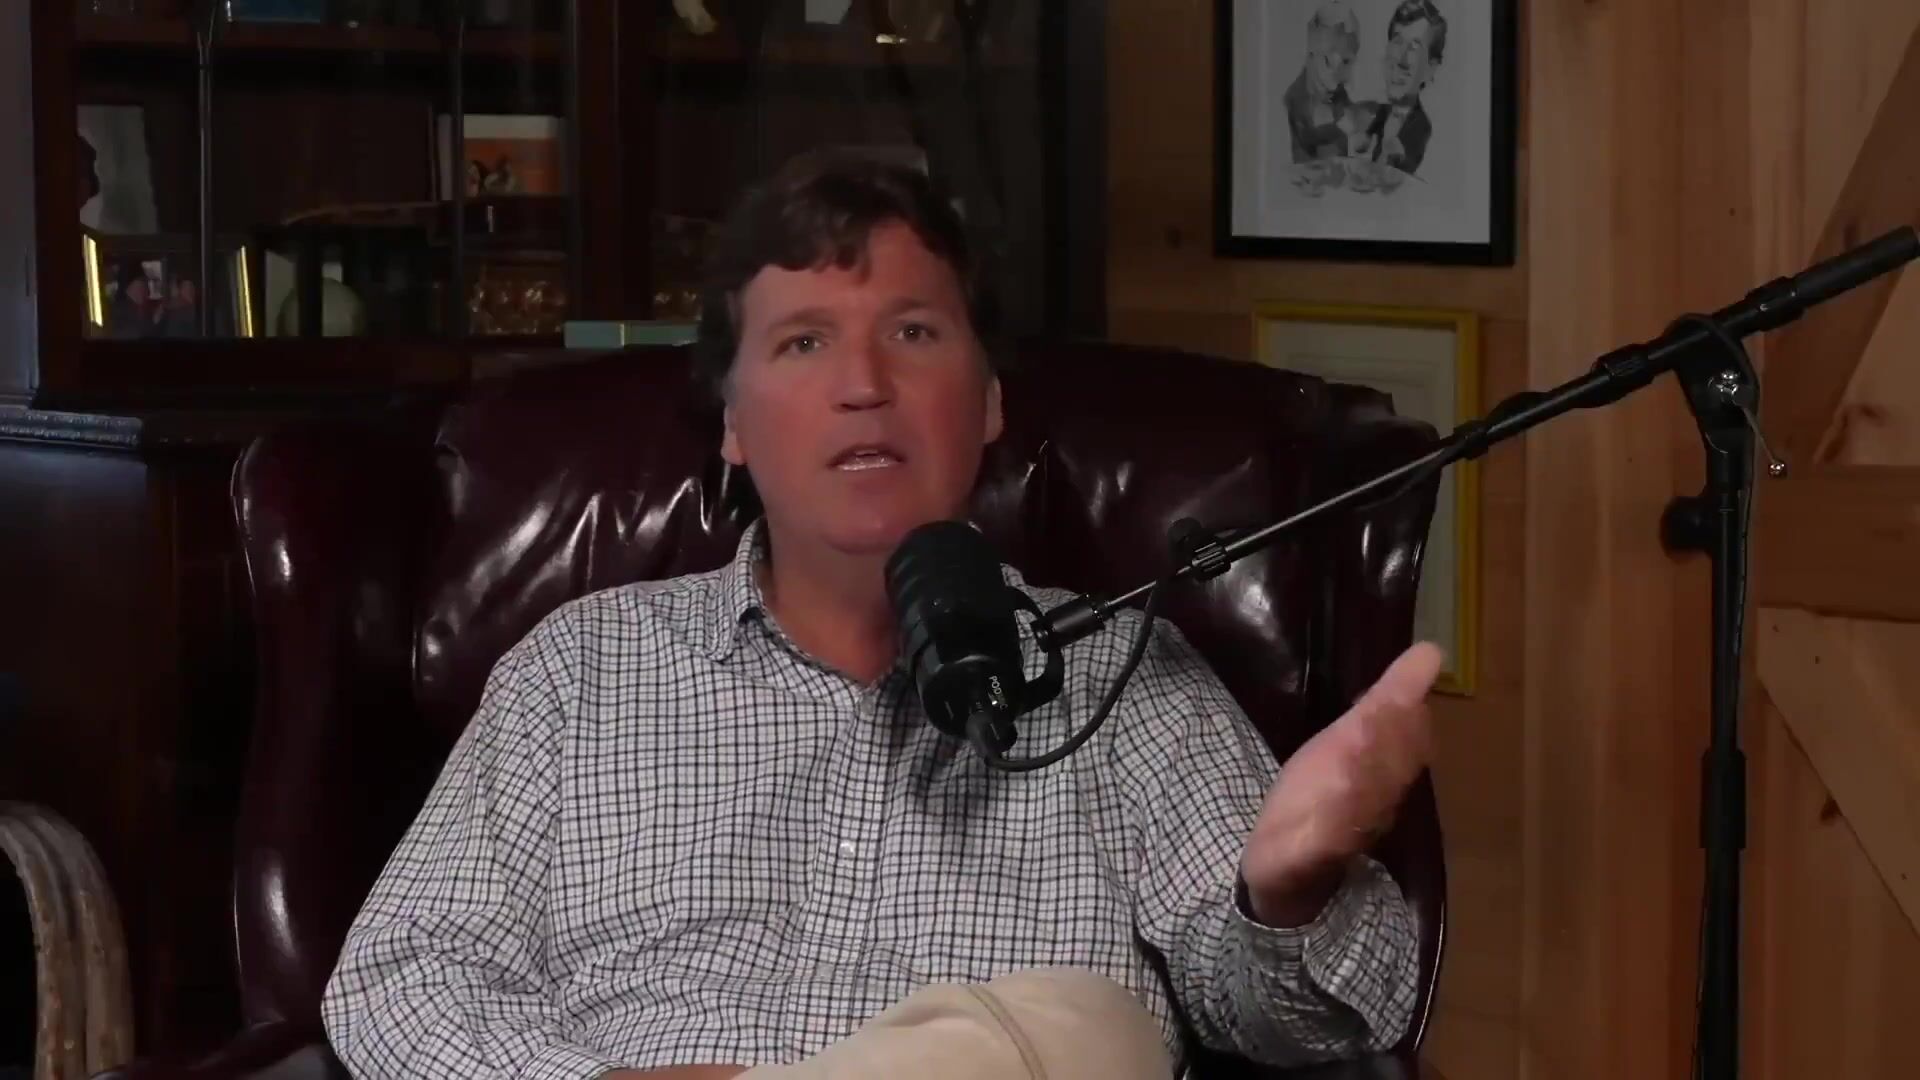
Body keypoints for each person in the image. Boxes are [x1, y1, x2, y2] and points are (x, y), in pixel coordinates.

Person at [320, 147, 1441, 1080]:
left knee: (1089, 1035)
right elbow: (398, 977)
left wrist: (1288, 893)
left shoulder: (1127, 676)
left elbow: (1327, 1025)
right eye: (803, 342)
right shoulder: (582, 668)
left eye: (912, 332)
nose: (864, 383)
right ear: (733, 426)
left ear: (988, 400)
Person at [1353, 0, 1446, 176]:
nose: (1401, 60)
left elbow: (1409, 168)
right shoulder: (1384, 110)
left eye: (1415, 46)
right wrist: (1365, 137)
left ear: (1430, 69)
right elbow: (1370, 132)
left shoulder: (1421, 125)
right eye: (1397, 41)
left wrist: (1398, 156)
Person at [1283, 1, 1362, 164]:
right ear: (1311, 55)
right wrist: (1339, 130)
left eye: (1346, 62)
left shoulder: (1337, 92)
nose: (1336, 79)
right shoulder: (1296, 97)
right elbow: (1308, 138)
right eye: (1327, 62)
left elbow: (1350, 117)